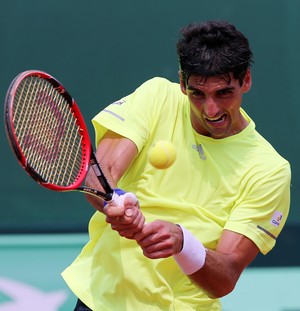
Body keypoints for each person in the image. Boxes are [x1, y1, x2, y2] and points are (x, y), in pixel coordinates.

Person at [62, 20, 291, 310]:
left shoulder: (269, 170)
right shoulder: (156, 96)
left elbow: (225, 278)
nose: (211, 110)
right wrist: (114, 203)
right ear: (182, 82)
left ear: (245, 80)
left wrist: (184, 244)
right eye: (197, 93)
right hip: (103, 299)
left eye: (223, 93)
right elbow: (102, 172)